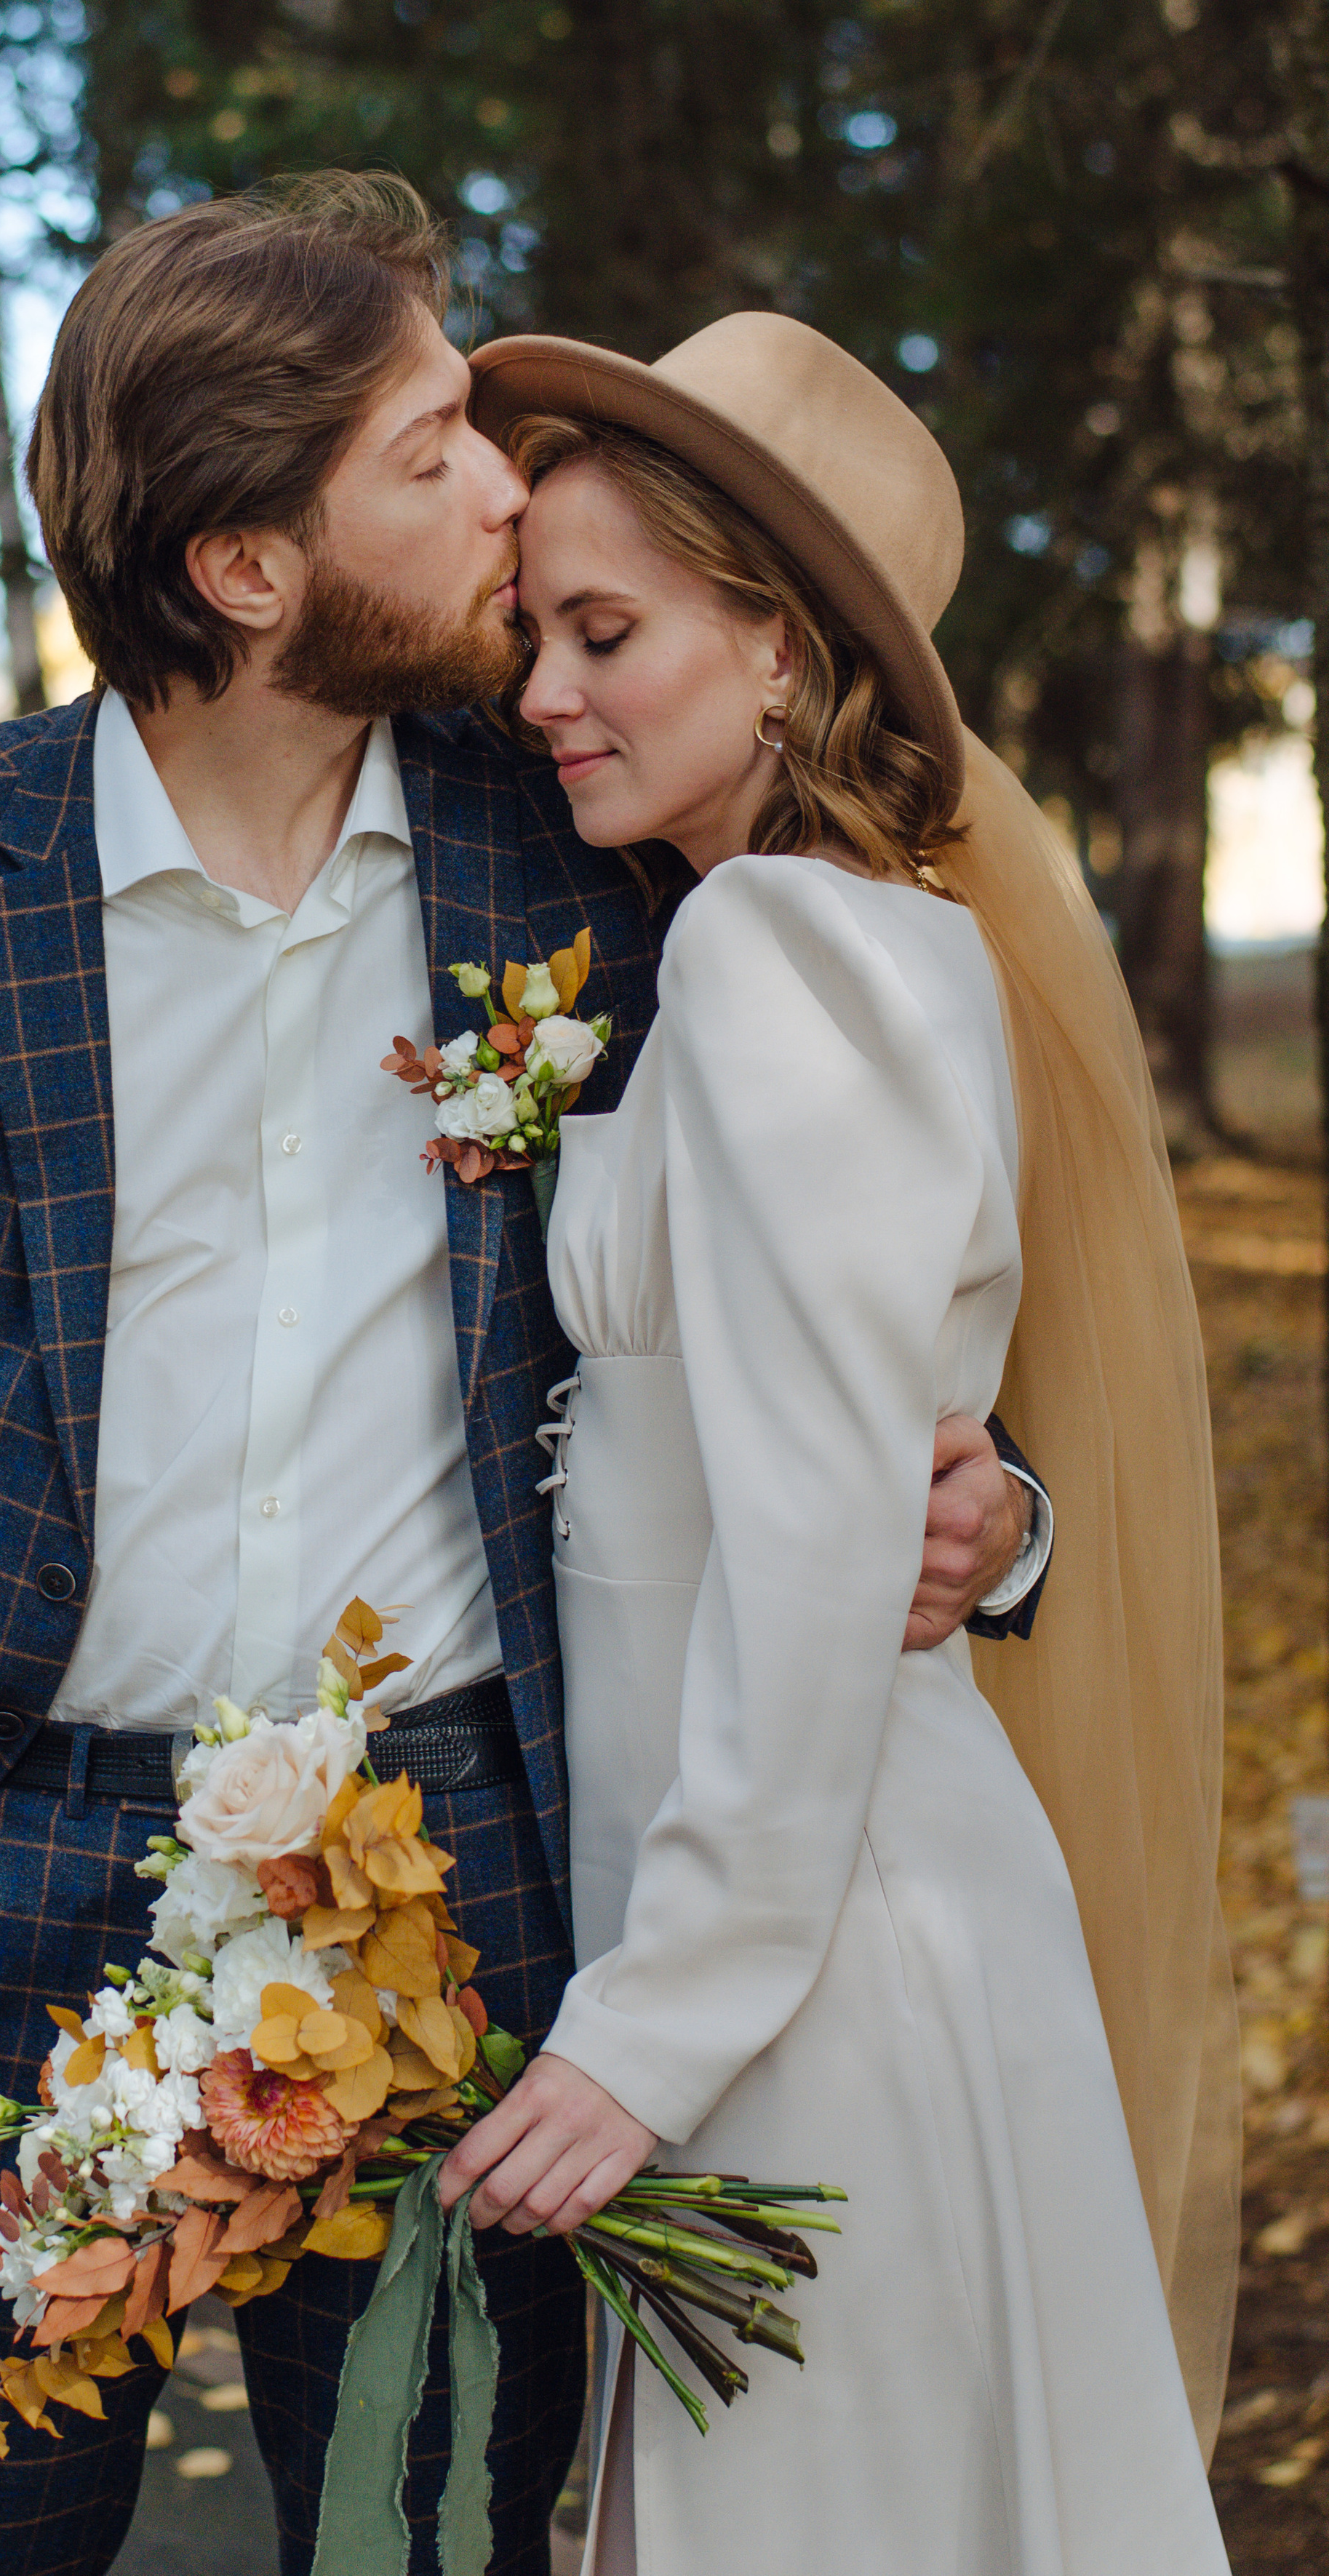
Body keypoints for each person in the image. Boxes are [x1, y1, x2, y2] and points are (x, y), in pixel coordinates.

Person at [0, 177, 1046, 2576]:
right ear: (249, 568)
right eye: (431, 451)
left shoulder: (590, 836)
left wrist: (999, 1502)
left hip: (464, 1876)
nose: (511, 489)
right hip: (0, 1881)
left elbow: (851, 1228)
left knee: (443, 2546)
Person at [438, 313, 1240, 2574]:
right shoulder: (832, 937)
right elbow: (882, 1471)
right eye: (538, 631)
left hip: (804, 1946)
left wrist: (654, 2026)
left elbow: (808, 1545)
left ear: (780, 656)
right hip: (815, 1892)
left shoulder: (783, 956)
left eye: (607, 632)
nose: (543, 694)